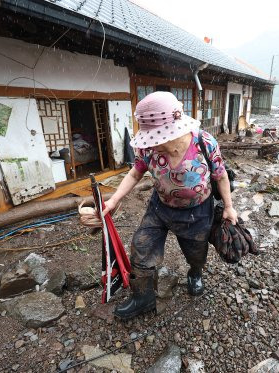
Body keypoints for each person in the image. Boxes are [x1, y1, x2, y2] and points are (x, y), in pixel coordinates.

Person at [101, 91, 237, 320]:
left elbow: (221, 176)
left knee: (196, 253)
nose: (152, 144)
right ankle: (142, 297)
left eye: (156, 137)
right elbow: (135, 174)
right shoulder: (147, 149)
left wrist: (228, 206)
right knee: (141, 245)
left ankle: (195, 273)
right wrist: (114, 200)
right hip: (160, 208)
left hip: (197, 212)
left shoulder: (203, 142)